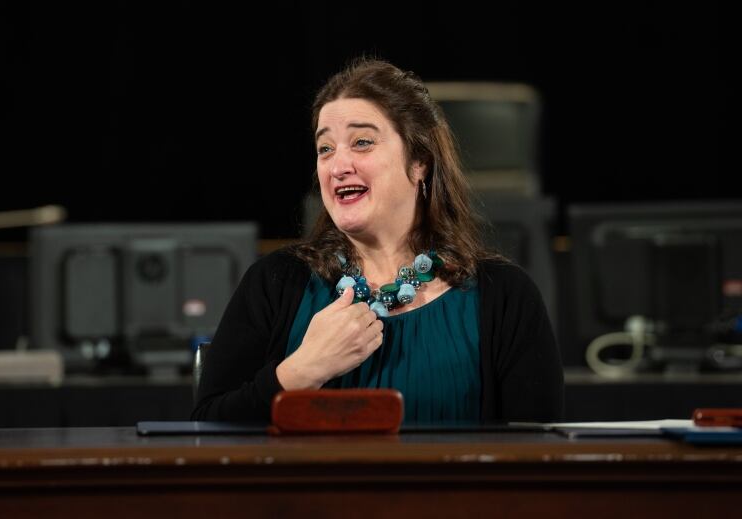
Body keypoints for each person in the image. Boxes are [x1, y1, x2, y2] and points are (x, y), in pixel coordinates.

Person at [191, 57, 563, 424]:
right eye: (325, 149)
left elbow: (537, 457)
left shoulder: (505, 295)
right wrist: (301, 372)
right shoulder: (275, 282)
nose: (338, 166)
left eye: (362, 142)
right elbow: (205, 428)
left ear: (420, 161)